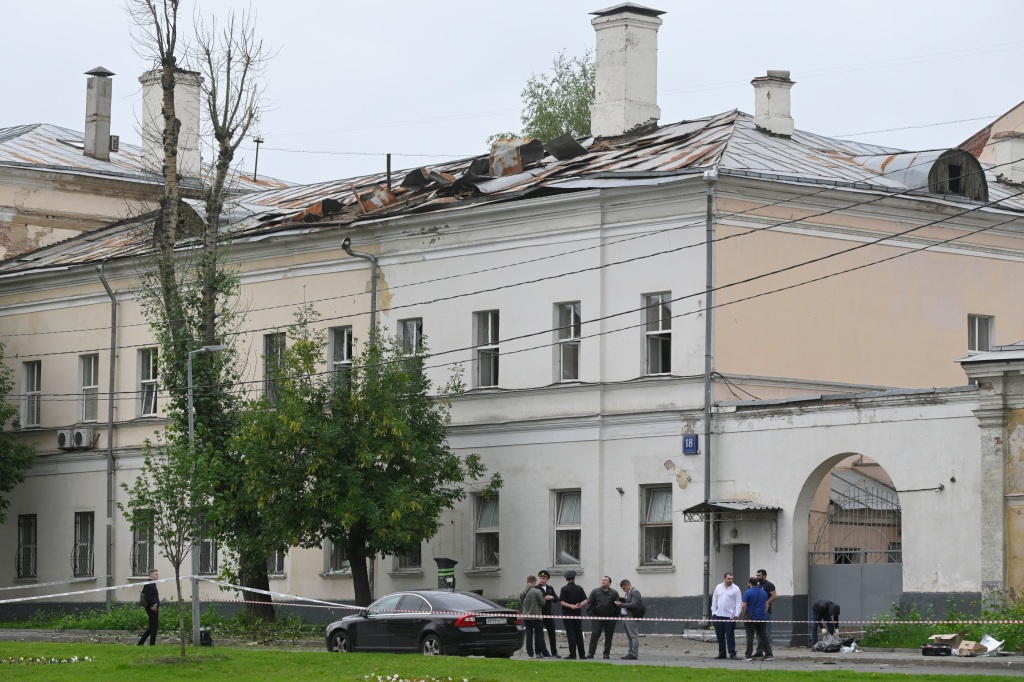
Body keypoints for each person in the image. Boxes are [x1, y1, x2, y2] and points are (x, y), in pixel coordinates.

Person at [740, 576, 773, 662]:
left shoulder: (747, 593)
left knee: (750, 637)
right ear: (757, 583)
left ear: (749, 583)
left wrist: (744, 615)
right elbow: (767, 605)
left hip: (751, 618)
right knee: (763, 636)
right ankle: (768, 654)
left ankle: (748, 655)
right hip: (761, 618)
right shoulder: (764, 593)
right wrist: (763, 614)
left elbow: (744, 606)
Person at [586, 575, 619, 659]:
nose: (603, 581)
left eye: (606, 580)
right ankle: (591, 653)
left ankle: (606, 653)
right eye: (602, 580)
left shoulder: (614, 593)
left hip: (610, 618)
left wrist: (615, 617)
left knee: (609, 636)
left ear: (609, 583)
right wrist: (592, 616)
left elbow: (618, 606)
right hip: (597, 618)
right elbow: (589, 604)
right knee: (595, 635)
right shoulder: (595, 591)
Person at [710, 572, 742, 659]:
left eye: (732, 579)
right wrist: (713, 612)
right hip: (718, 614)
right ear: (725, 578)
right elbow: (714, 600)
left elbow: (738, 602)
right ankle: (722, 653)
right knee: (720, 635)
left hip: (729, 616)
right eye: (729, 579)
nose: (730, 580)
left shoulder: (736, 589)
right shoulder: (718, 587)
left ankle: (732, 653)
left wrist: (736, 614)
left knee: (730, 635)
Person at [558, 570, 588, 659]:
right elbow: (586, 600)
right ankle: (582, 654)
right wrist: (579, 605)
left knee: (570, 633)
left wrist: (571, 606)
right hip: (577, 613)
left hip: (567, 613)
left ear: (566, 579)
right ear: (574, 578)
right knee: (578, 632)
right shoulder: (579, 588)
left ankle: (573, 654)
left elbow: (562, 602)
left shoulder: (564, 589)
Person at [520, 575, 550, 658]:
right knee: (539, 635)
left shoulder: (522, 592)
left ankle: (530, 653)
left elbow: (522, 603)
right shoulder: (536, 591)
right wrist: (545, 599)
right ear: (533, 581)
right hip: (536, 616)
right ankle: (544, 652)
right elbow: (543, 603)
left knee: (529, 635)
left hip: (526, 616)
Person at [614, 579, 642, 660]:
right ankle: (631, 653)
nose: (623, 590)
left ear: (628, 585)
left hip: (631, 616)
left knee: (633, 636)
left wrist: (621, 604)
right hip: (625, 616)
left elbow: (633, 604)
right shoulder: (628, 593)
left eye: (624, 588)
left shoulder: (635, 592)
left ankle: (634, 654)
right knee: (630, 637)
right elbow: (628, 602)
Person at [536, 570, 560, 657]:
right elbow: (535, 600)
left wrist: (552, 597)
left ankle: (554, 652)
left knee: (552, 633)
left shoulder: (550, 588)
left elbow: (557, 599)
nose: (541, 580)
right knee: (539, 633)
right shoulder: (536, 588)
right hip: (539, 613)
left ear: (547, 579)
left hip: (548, 613)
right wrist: (544, 597)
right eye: (540, 578)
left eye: (544, 578)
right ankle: (538, 652)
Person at [756, 569, 778, 649]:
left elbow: (774, 596)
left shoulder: (769, 585)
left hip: (766, 612)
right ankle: (760, 650)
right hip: (758, 613)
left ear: (764, 576)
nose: (757, 577)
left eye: (759, 575)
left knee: (767, 632)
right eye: (756, 575)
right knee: (758, 633)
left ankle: (769, 650)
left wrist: (767, 603)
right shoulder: (758, 586)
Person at [137, 568, 160, 646]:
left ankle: (140, 643)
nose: (157, 576)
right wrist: (154, 604)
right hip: (152, 607)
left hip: (154, 607)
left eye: (157, 574)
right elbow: (147, 596)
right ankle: (152, 644)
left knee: (152, 627)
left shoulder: (152, 583)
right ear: (151, 575)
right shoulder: (149, 584)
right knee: (154, 626)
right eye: (156, 574)